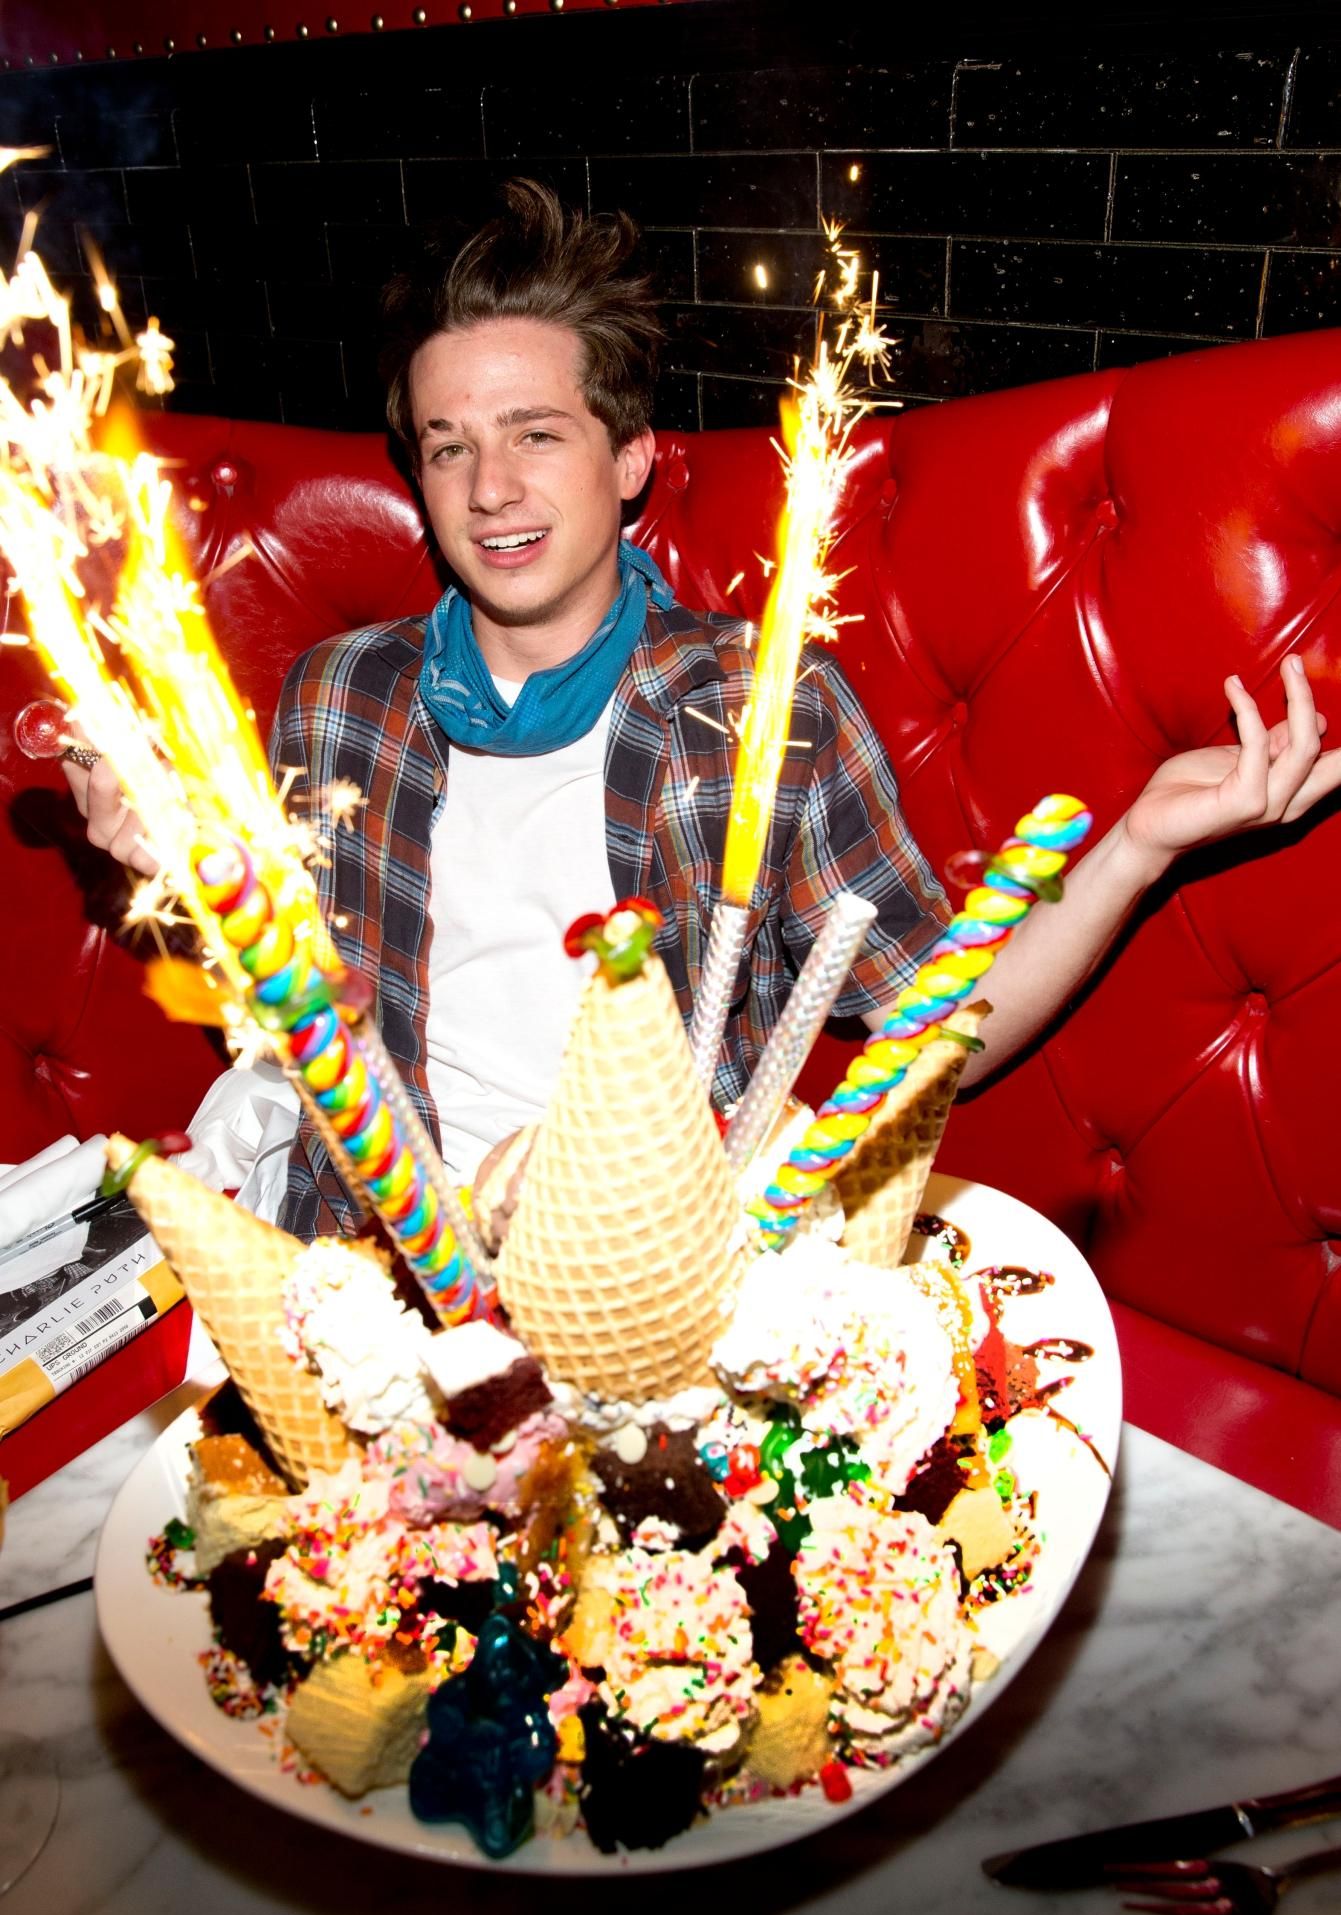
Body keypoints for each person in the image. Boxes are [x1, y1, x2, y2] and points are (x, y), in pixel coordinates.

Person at [65, 181, 1341, 1240]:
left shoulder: (761, 706)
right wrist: (186, 877)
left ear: (631, 458)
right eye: (449, 445)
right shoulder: (341, 693)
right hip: (374, 1257)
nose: (491, 487)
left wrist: (1139, 844)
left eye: (536, 435)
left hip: (656, 1270)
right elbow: (301, 1005)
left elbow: (934, 1030)